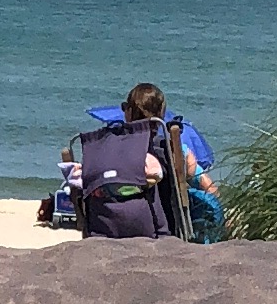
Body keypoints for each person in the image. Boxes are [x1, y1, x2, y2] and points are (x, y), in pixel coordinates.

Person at [73, 81, 201, 240]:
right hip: (154, 229)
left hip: (103, 228)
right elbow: (189, 172)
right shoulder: (164, 148)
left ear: (128, 112)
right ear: (161, 114)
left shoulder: (103, 147)